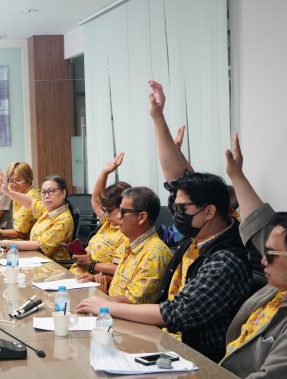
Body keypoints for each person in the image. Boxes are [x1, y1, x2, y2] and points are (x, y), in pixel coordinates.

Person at [76, 81, 252, 362]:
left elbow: (175, 313)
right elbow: (175, 180)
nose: (176, 212)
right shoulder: (198, 240)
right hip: (170, 344)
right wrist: (157, 117)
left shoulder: (225, 260)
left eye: (183, 208)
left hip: (198, 360)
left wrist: (106, 307)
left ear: (209, 211)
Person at [218, 133, 287, 379]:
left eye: (270, 256)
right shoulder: (280, 283)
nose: (262, 261)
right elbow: (260, 227)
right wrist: (236, 175)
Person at [97, 187, 172, 304]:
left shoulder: (154, 254)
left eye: (123, 212)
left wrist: (103, 298)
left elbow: (133, 301)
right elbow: (123, 285)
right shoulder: (132, 243)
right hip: (112, 307)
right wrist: (100, 281)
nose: (118, 216)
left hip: (121, 313)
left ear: (141, 217)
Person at [71, 153, 130, 279]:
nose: (106, 215)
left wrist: (91, 265)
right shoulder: (108, 223)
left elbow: (122, 270)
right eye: (104, 210)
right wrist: (104, 172)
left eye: (109, 211)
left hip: (95, 281)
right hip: (77, 275)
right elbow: (96, 201)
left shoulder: (128, 233)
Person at [0, 139, 41, 239]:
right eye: (10, 181)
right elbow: (1, 186)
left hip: (29, 243)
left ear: (29, 179)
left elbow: (20, 233)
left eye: (18, 180)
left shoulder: (31, 196)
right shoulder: (17, 191)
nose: (13, 185)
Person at [0, 174, 74, 261]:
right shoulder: (49, 209)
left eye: (51, 191)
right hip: (36, 257)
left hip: (54, 264)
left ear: (63, 193)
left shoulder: (63, 220)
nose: (46, 196)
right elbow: (30, 202)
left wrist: (10, 244)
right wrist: (8, 192)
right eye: (43, 192)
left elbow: (40, 245)